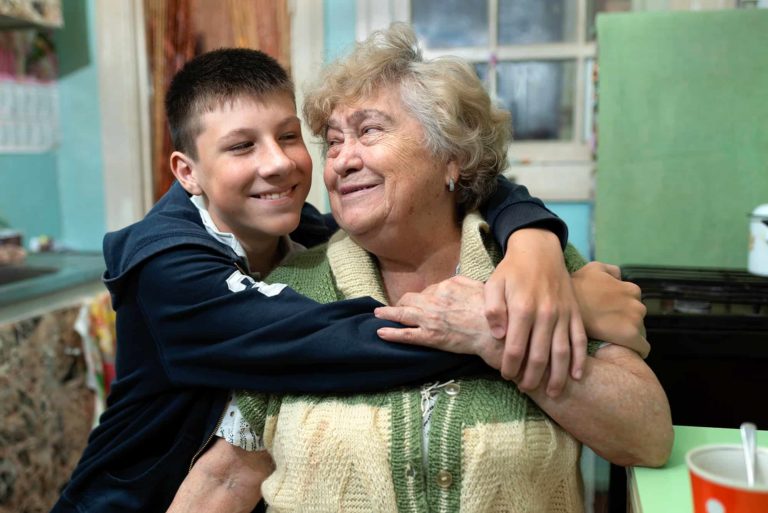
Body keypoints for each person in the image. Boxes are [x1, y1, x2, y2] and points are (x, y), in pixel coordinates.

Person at [49, 46, 621, 513]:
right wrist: (510, 325)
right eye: (242, 146)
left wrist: (533, 242)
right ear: (188, 173)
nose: (278, 163)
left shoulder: (304, 230)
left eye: (291, 136)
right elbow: (326, 343)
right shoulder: (166, 268)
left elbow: (462, 169)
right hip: (134, 500)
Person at [180, 24, 672, 512]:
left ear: (450, 156)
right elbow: (229, 476)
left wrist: (491, 333)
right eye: (332, 143)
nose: (341, 161)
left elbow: (647, 437)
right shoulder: (292, 285)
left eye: (369, 131)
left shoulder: (534, 267)